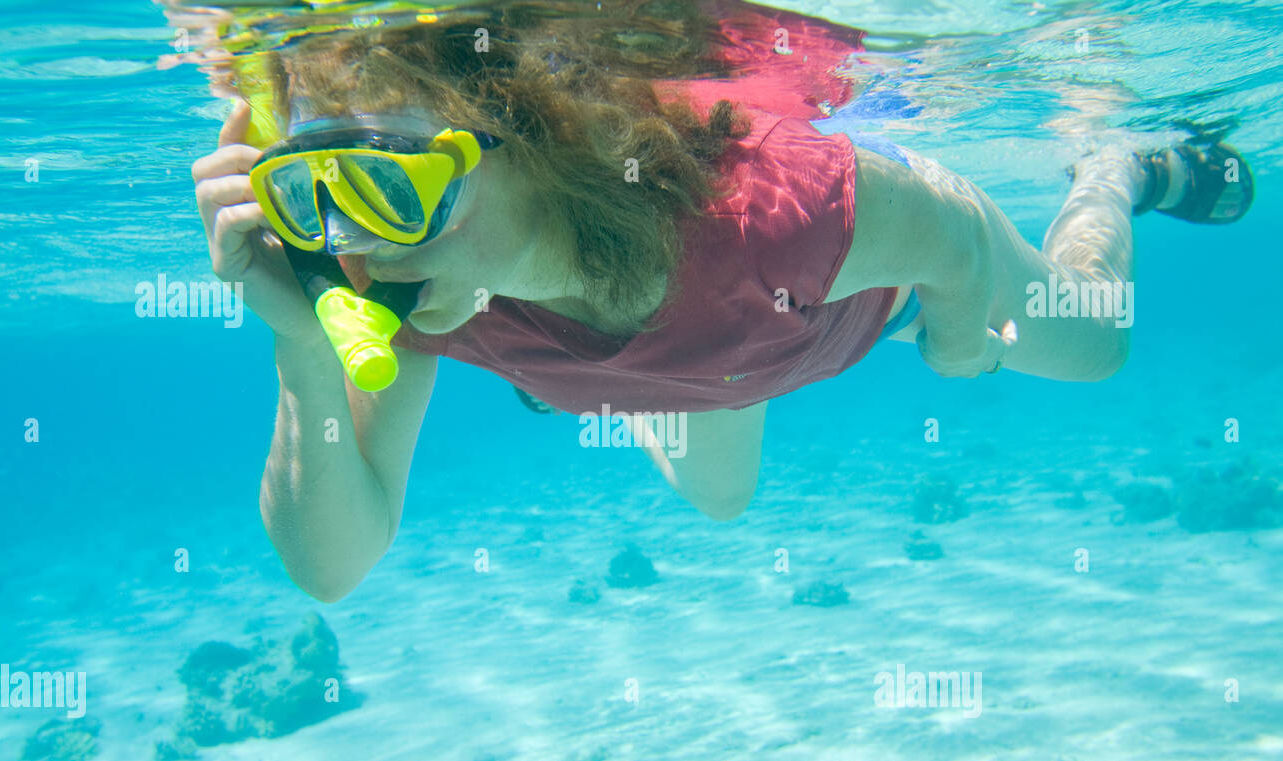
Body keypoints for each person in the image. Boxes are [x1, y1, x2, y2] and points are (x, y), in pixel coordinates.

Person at [191, 20, 1253, 601]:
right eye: (313, 193)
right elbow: (333, 568)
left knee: (1094, 344)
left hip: (828, 310)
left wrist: (963, 334)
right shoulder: (385, 285)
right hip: (717, 354)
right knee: (720, 504)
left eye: (388, 184)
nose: (356, 240)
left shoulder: (763, 213)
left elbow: (955, 232)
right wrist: (297, 345)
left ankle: (1111, 167)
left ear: (533, 137)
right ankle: (603, 381)